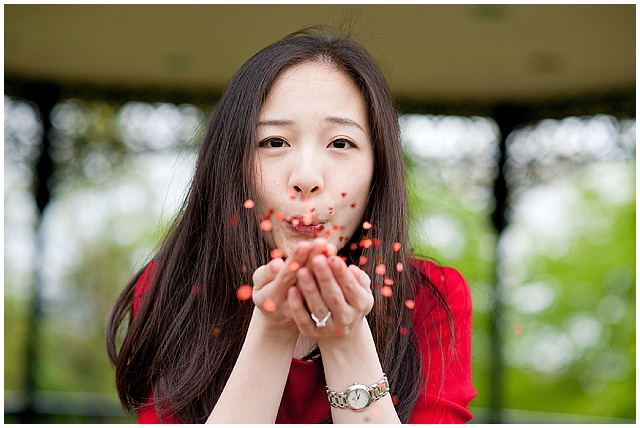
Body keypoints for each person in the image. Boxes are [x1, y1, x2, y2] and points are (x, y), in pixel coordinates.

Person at [107, 27, 476, 424]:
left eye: (340, 144)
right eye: (274, 142)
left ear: (378, 168)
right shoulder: (175, 288)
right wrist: (272, 328)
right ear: (233, 165)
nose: (306, 177)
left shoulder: (430, 300)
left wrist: (346, 337)